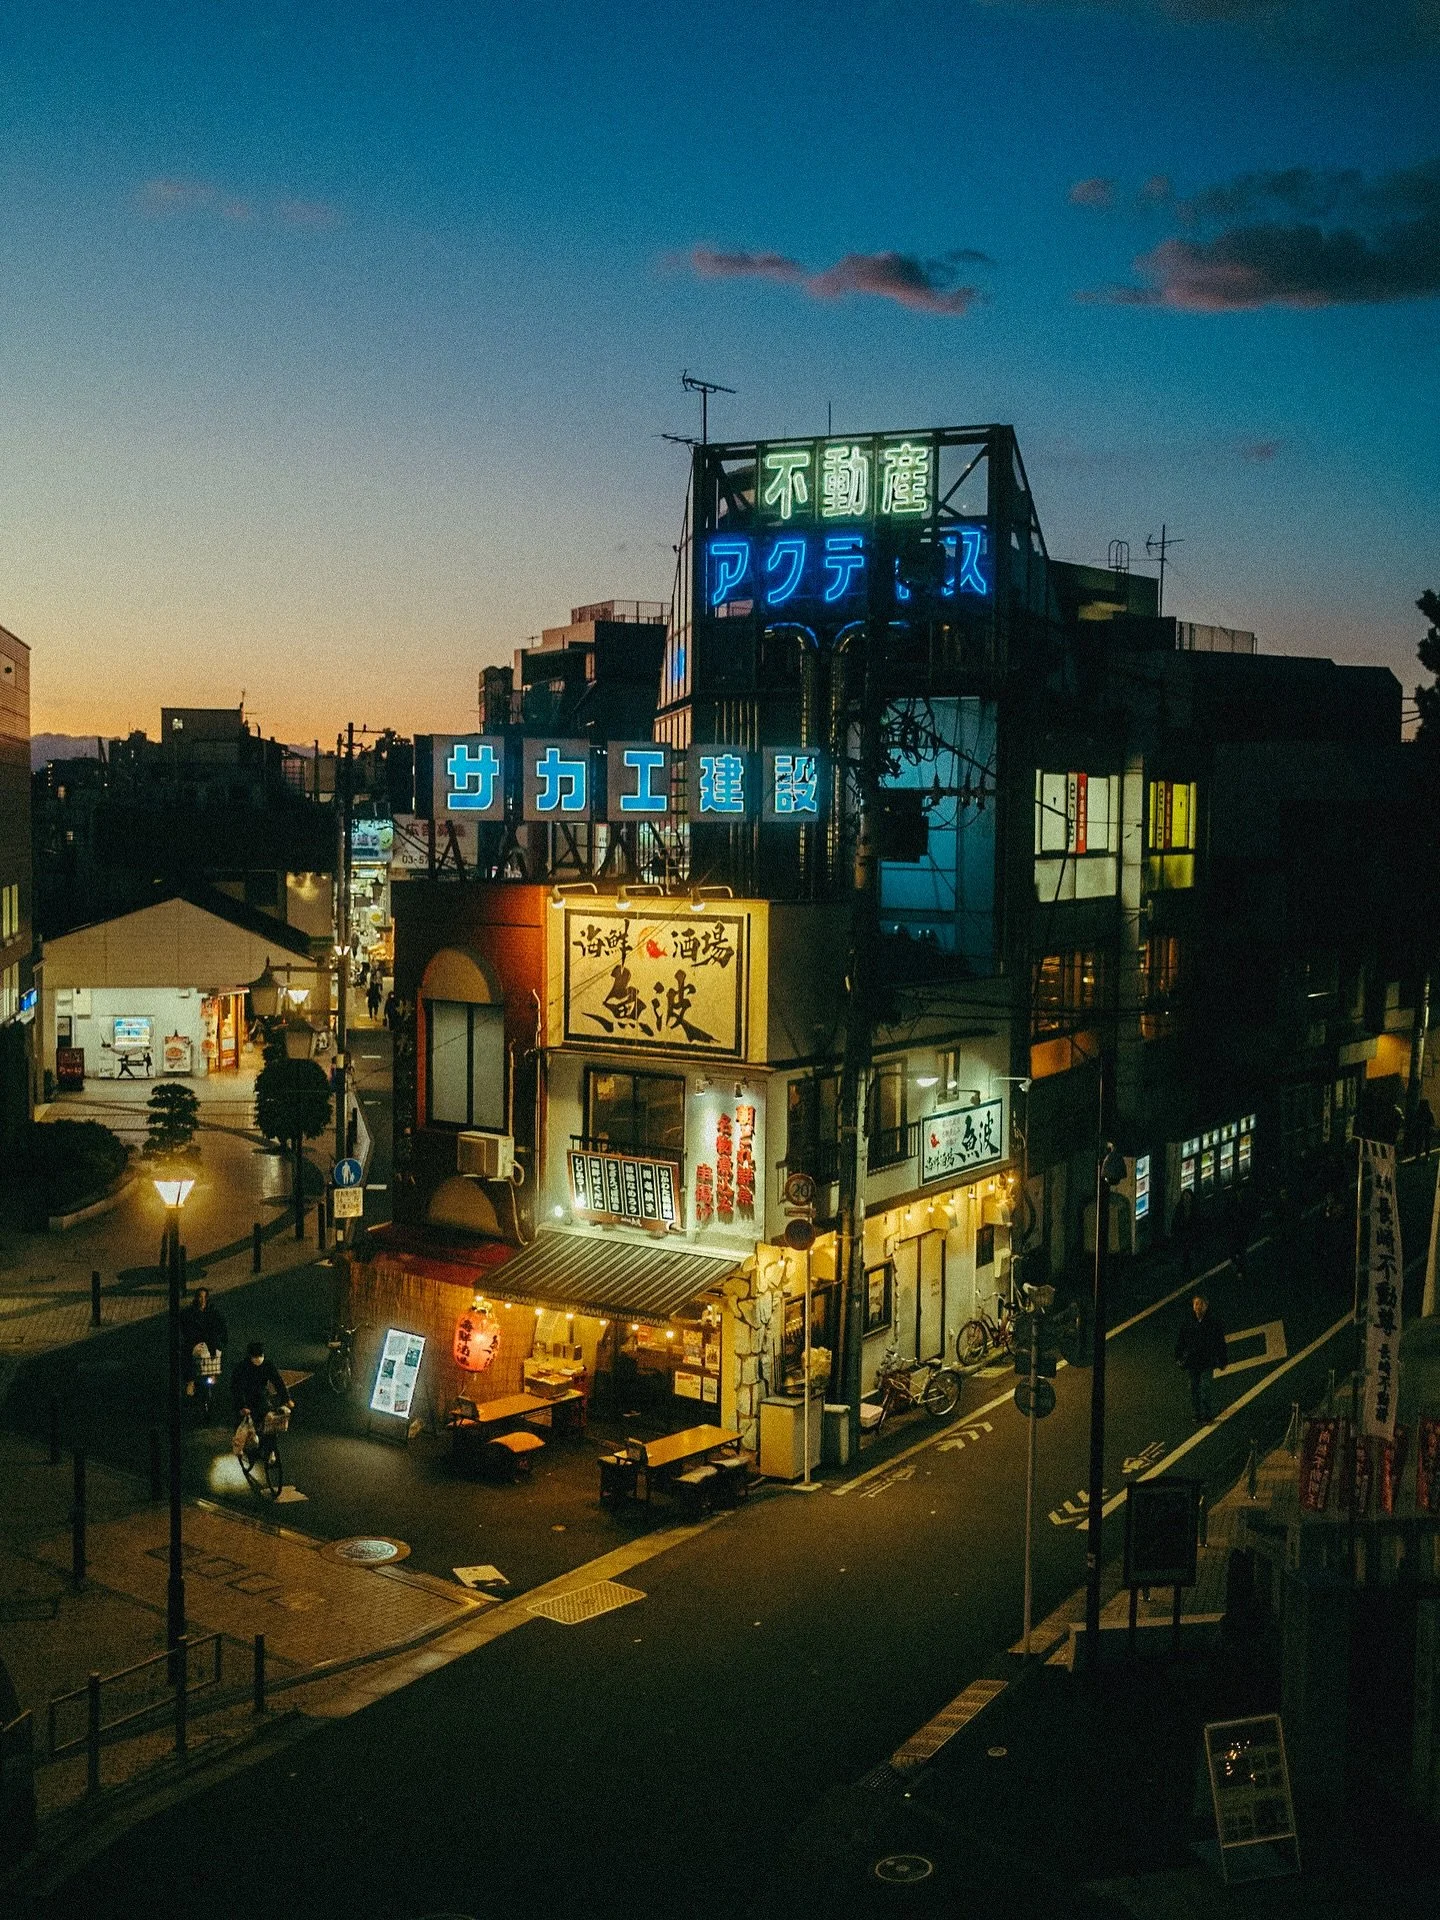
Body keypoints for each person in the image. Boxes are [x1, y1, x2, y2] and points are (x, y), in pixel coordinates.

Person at [1175, 1293, 1228, 1425]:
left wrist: (1222, 1359)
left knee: (1205, 1387)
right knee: (1193, 1388)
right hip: (1192, 1361)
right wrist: (1178, 1356)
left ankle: (1207, 1414)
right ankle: (1197, 1413)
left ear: (1206, 1306)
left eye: (1201, 1304)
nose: (1198, 1307)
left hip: (1206, 1360)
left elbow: (1220, 1342)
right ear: (1193, 1306)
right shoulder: (1187, 1323)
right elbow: (1181, 1341)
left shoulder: (1213, 1323)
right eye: (1196, 1304)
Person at [179, 1287, 228, 1422]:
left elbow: (222, 1326)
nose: (201, 1300)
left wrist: (222, 1339)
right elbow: (184, 1326)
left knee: (212, 1359)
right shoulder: (190, 1313)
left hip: (210, 1344)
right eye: (199, 1297)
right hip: (194, 1343)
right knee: (188, 1357)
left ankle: (210, 1376)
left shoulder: (213, 1313)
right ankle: (190, 1381)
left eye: (203, 1297)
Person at [230, 1339, 293, 1442]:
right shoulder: (241, 1368)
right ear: (250, 1356)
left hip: (261, 1396)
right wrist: (241, 1406)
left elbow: (278, 1382)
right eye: (255, 1356)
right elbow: (236, 1388)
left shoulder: (268, 1365)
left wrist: (287, 1399)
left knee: (269, 1422)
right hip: (246, 1397)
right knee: (242, 1428)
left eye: (260, 1355)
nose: (258, 1359)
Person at [1413, 1098, 1434, 1163]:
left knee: (1419, 1144)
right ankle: (1427, 1156)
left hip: (1420, 1130)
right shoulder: (1429, 1112)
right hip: (1427, 1130)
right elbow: (1432, 1122)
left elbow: (1415, 1121)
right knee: (1427, 1144)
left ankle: (1417, 1157)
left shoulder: (1418, 1112)